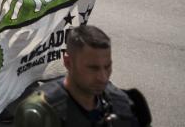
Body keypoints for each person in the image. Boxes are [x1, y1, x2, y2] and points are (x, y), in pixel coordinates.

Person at [14, 25, 150, 127]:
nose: (102, 77)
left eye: (107, 67)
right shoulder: (41, 113)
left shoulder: (121, 102)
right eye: (93, 68)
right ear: (68, 62)